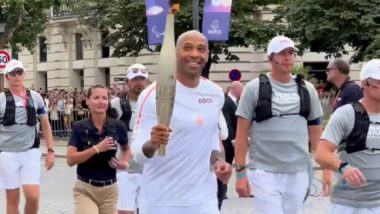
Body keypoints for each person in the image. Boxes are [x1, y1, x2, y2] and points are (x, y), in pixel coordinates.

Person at [131, 30, 231, 214]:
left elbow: (212, 140)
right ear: (176, 53)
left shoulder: (215, 93)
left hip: (204, 201)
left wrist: (218, 161)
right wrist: (153, 143)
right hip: (161, 202)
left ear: (207, 55)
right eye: (188, 48)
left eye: (201, 49)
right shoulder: (153, 94)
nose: (195, 54)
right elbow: (137, 154)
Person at [234, 35, 325, 214]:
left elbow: (316, 132)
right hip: (264, 171)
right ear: (270, 58)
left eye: (291, 52)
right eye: (282, 53)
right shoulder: (254, 88)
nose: (288, 57)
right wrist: (240, 174)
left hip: (298, 171)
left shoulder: (307, 89)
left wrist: (326, 169)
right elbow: (241, 134)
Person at [315, 59, 380, 214]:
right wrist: (343, 167)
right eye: (379, 81)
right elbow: (321, 153)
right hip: (348, 205)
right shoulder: (345, 114)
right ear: (364, 83)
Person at [0, 59, 55, 214]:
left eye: (19, 73)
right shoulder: (1, 100)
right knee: (13, 198)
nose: (17, 76)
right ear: (7, 77)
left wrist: (50, 151)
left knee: (33, 196)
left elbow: (45, 124)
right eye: (13, 73)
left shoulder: (36, 97)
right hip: (7, 154)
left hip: (30, 152)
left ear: (24, 75)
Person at [66, 85, 129, 214]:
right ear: (88, 101)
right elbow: (70, 159)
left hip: (110, 190)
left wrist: (124, 163)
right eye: (96, 98)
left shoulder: (118, 126)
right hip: (85, 189)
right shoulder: (79, 127)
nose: (101, 102)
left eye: (104, 98)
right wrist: (97, 148)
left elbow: (126, 148)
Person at [111, 63, 149, 214]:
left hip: (149, 169)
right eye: (135, 79)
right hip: (125, 171)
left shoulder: (154, 104)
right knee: (125, 211)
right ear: (127, 82)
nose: (139, 82)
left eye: (142, 79)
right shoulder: (117, 104)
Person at [217, 81, 244, 209]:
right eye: (242, 89)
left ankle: (223, 191)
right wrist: (233, 140)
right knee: (224, 166)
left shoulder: (234, 102)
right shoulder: (226, 102)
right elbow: (227, 123)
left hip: (229, 140)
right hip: (227, 143)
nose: (243, 92)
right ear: (236, 89)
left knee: (226, 166)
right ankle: (222, 192)